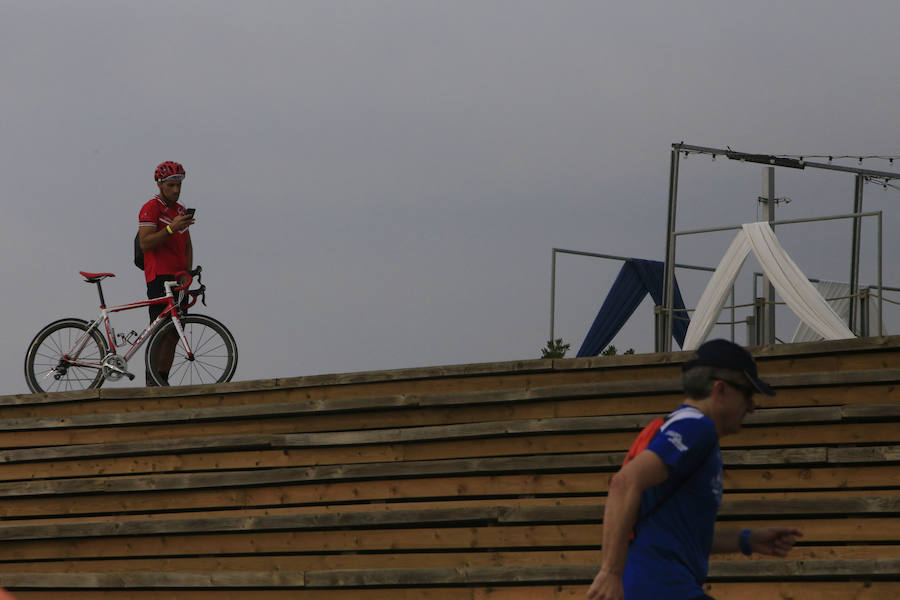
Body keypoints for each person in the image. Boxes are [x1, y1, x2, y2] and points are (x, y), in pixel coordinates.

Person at [587, 339, 803, 600]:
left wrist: (746, 540)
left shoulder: (688, 428)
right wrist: (610, 572)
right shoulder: (696, 427)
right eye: (748, 394)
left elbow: (677, 535)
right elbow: (623, 483)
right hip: (661, 587)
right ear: (720, 389)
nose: (752, 407)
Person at [138, 161, 195, 386]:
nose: (176, 190)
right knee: (160, 331)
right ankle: (151, 379)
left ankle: (162, 379)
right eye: (171, 185)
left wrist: (188, 273)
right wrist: (171, 228)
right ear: (161, 184)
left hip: (179, 276)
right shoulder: (151, 207)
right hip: (159, 276)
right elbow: (145, 243)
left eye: (179, 185)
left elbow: (188, 245)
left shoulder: (180, 210)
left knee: (175, 332)